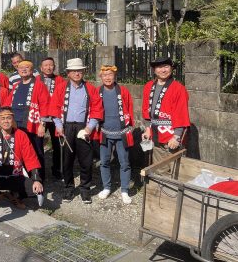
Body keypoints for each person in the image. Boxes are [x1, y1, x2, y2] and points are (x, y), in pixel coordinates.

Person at [49, 58, 104, 204]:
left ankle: (85, 189)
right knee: (67, 161)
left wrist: (89, 127)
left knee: (86, 161)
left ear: (83, 72)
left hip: (83, 127)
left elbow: (97, 109)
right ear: (68, 73)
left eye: (79, 70)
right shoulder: (61, 87)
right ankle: (68, 188)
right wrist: (58, 125)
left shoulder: (90, 88)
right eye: (74, 71)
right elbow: (54, 107)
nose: (77, 73)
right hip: (66, 126)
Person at [0, 107, 43, 233]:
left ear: (13, 119)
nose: (6, 121)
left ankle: (13, 194)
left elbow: (31, 158)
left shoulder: (21, 135)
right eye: (2, 118)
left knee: (36, 190)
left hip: (15, 177)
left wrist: (36, 179)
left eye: (9, 118)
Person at [142, 57, 190, 173]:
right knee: (159, 167)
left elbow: (181, 113)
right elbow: (146, 111)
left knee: (172, 169)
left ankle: (170, 190)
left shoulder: (179, 88)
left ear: (171, 69)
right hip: (155, 133)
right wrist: (147, 129)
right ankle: (159, 189)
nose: (163, 70)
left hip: (171, 135)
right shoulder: (148, 86)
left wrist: (177, 136)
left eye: (166, 67)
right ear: (154, 70)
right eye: (159, 67)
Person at [97, 65, 135, 204]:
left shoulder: (123, 91)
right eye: (104, 75)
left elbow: (130, 108)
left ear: (115, 76)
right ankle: (107, 187)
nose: (107, 77)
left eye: (110, 74)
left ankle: (124, 190)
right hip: (105, 132)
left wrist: (130, 125)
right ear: (100, 77)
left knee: (124, 162)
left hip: (121, 132)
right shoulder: (98, 91)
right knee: (104, 162)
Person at [10, 60, 50, 182]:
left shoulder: (39, 85)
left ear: (32, 71)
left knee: (36, 151)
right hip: (16, 124)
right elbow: (7, 103)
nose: (23, 69)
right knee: (21, 151)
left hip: (33, 124)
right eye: (21, 67)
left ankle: (39, 179)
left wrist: (42, 125)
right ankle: (26, 178)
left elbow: (45, 105)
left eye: (27, 67)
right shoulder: (16, 86)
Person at [36, 57, 66, 180]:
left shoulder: (60, 80)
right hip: (40, 118)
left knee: (57, 145)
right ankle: (39, 171)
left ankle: (57, 170)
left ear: (54, 66)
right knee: (38, 145)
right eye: (46, 65)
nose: (48, 67)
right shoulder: (36, 80)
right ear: (41, 68)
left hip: (55, 117)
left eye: (51, 65)